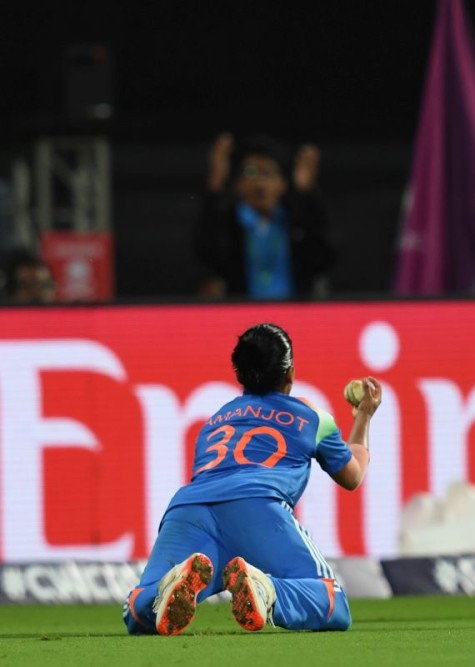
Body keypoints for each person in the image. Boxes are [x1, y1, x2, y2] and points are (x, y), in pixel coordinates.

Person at [122, 323, 381, 635]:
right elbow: (352, 475)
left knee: (138, 613)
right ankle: (267, 590)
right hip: (256, 508)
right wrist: (364, 415)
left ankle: (160, 592)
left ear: (240, 373)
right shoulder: (311, 418)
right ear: (290, 373)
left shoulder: (216, 420)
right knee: (331, 603)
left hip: (188, 508)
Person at [193, 132, 335, 300]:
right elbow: (206, 253)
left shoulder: (296, 224)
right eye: (251, 173)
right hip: (242, 317)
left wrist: (307, 196)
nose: (260, 184)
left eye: (268, 173)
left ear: (282, 184)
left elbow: (325, 254)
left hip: (294, 316)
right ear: (238, 183)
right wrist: (214, 191)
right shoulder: (227, 223)